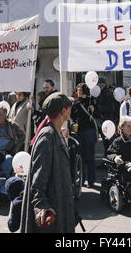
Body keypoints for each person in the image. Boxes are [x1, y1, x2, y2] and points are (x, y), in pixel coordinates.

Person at [20, 92, 75, 233]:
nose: (71, 109)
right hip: (52, 207)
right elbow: (38, 178)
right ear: (63, 111)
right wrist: (41, 205)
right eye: (69, 106)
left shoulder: (56, 133)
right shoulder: (47, 136)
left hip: (60, 202)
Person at [71, 83, 99, 188]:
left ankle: (91, 180)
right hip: (78, 131)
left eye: (80, 90)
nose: (79, 92)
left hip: (89, 131)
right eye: (78, 90)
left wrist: (93, 110)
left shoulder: (91, 101)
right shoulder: (75, 103)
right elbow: (72, 117)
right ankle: (82, 179)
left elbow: (98, 115)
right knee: (80, 156)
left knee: (90, 156)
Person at [97, 78, 119, 161]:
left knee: (109, 142)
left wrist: (99, 108)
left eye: (98, 84)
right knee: (106, 142)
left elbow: (111, 108)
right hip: (105, 120)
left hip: (109, 120)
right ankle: (107, 159)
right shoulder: (102, 93)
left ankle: (110, 159)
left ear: (101, 85)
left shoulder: (107, 93)